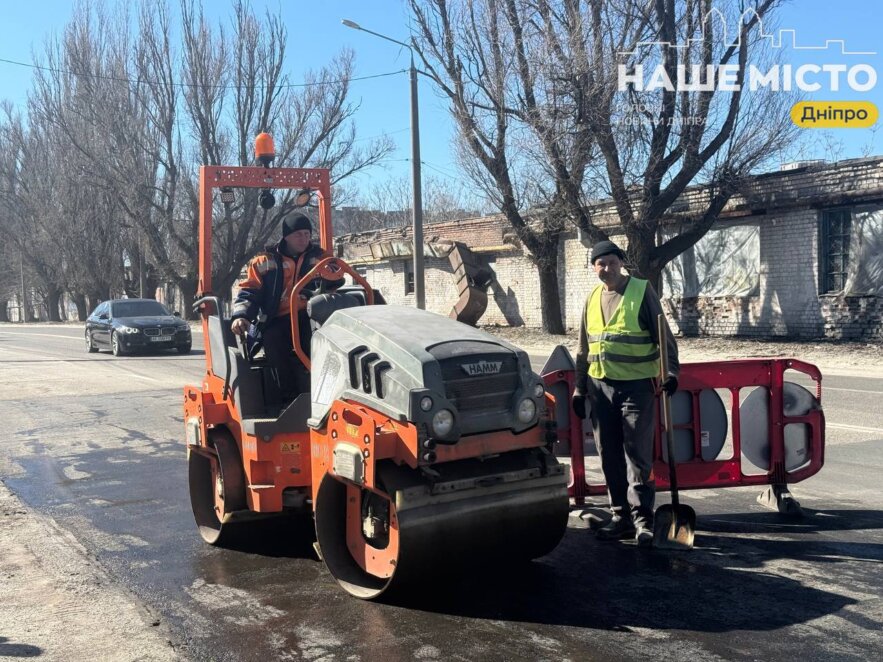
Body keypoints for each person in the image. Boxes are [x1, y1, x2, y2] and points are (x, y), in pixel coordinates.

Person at [572, 240, 679, 548]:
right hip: (600, 388)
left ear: (621, 262)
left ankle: (643, 520)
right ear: (594, 268)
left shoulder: (640, 291)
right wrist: (580, 389)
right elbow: (583, 349)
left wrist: (670, 373)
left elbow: (664, 338)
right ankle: (621, 518)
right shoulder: (592, 298)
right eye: (600, 264)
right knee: (609, 456)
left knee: (638, 456)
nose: (606, 268)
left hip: (637, 388)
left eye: (611, 262)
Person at [230, 213, 331, 398]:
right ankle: (289, 397)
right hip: (277, 317)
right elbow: (250, 291)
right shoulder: (264, 261)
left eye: (307, 234)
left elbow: (337, 278)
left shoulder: (320, 258)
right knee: (273, 340)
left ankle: (322, 393)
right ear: (286, 237)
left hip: (309, 316)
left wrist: (331, 278)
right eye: (298, 234)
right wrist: (241, 316)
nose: (304, 239)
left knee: (320, 340)